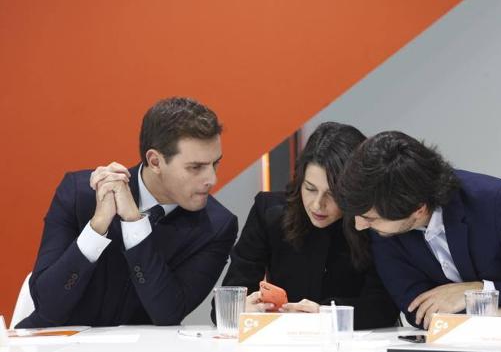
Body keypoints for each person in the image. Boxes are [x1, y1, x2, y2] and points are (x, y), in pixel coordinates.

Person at [336, 131, 501, 335]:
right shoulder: (383, 228)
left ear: (418, 209)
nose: (360, 225)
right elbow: (419, 313)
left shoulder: (500, 204)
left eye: (370, 217)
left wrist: (477, 291)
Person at [17, 97, 238, 328]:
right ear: (155, 161)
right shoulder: (79, 193)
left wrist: (135, 224)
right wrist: (97, 226)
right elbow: (48, 306)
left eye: (215, 164)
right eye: (196, 167)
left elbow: (167, 314)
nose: (212, 179)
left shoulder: (217, 226)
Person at [213, 122, 398, 329]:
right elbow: (224, 303)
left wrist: (326, 314)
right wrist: (242, 308)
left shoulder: (373, 221)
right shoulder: (269, 211)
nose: (318, 204)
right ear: (300, 180)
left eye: (333, 194)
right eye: (310, 188)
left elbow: (385, 308)